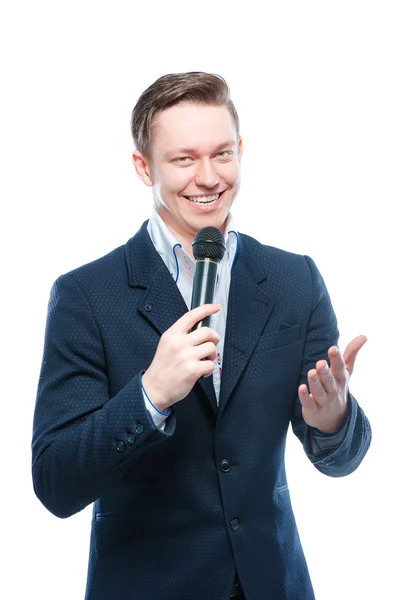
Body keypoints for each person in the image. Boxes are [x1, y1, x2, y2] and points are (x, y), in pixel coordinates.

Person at [31, 71, 371, 600]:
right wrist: (150, 396)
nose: (209, 177)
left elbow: (342, 457)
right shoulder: (86, 296)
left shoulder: (292, 279)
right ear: (144, 167)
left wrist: (332, 421)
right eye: (184, 159)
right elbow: (55, 482)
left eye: (223, 154)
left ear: (241, 152)